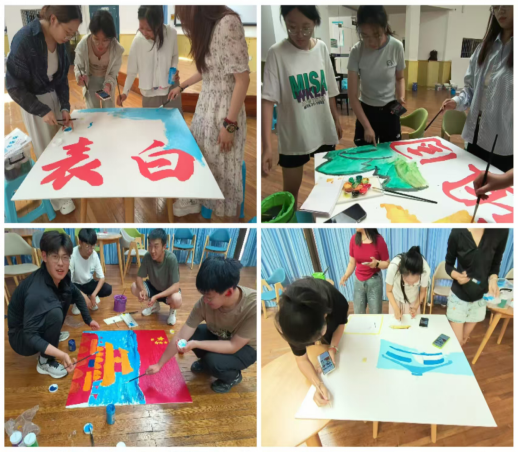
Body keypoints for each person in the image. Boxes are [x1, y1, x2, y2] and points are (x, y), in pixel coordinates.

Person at [170, 6, 250, 218]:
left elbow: (242, 80)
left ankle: (226, 219)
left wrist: (229, 125)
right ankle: (197, 201)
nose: (186, 24)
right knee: (203, 160)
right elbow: (207, 69)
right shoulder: (209, 28)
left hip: (224, 112)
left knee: (224, 172)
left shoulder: (228, 23)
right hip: (205, 108)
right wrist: (182, 86)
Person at [262, 6, 342, 207]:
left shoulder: (321, 48)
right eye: (292, 27)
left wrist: (336, 119)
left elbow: (330, 90)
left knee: (328, 186)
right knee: (290, 195)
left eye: (306, 28)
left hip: (322, 127)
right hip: (294, 134)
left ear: (315, 23)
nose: (299, 34)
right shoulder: (276, 53)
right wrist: (267, 147)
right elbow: (268, 101)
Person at [6, 5, 82, 215]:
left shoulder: (60, 42)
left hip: (54, 96)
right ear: (54, 19)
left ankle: (66, 185)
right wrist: (40, 110)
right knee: (46, 149)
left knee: (62, 144)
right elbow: (13, 87)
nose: (69, 37)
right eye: (68, 32)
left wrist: (64, 106)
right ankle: (58, 198)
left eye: (73, 34)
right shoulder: (24, 40)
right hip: (34, 103)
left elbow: (62, 80)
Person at [146, 257, 256, 393]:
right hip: (221, 335)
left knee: (213, 362)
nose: (204, 300)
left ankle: (233, 376)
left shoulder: (252, 306)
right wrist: (159, 364)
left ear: (228, 292)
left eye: (209, 297)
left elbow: (233, 346)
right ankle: (207, 362)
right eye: (203, 295)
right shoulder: (204, 302)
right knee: (193, 334)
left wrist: (196, 344)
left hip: (245, 348)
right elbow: (181, 335)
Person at [7, 231, 100, 379]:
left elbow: (76, 293)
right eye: (55, 257)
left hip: (32, 322)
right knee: (55, 312)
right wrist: (62, 355)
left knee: (67, 293)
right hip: (21, 337)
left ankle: (52, 335)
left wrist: (89, 320)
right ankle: (44, 362)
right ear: (44, 256)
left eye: (65, 257)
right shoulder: (37, 292)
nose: (61, 263)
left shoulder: (62, 275)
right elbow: (30, 335)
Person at [442, 5, 513, 172]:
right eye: (496, 7)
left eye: (506, 4)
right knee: (470, 182)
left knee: (497, 187)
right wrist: (457, 101)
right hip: (477, 134)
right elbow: (471, 89)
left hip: (505, 142)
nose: (500, 11)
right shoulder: (484, 48)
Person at [276, 277, 348, 407]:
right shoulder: (290, 323)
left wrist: (333, 348)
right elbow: (301, 359)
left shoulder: (338, 302)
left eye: (317, 336)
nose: (315, 342)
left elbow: (340, 324)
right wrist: (318, 385)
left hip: (330, 311)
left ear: (325, 316)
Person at [348, 5, 405, 147]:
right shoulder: (357, 51)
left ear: (384, 27)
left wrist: (401, 96)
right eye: (365, 36)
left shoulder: (396, 47)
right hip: (366, 111)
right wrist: (367, 127)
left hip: (390, 108)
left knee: (392, 153)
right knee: (364, 156)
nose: (371, 42)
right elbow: (352, 96)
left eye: (377, 35)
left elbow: (400, 78)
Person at [445, 228, 508, 346]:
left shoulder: (501, 230)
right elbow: (448, 265)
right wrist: (457, 276)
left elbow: (496, 263)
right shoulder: (457, 231)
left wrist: (493, 279)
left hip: (479, 300)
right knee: (457, 341)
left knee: (464, 338)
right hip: (458, 298)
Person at [117, 6, 181, 111]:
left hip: (171, 89)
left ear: (159, 24)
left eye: (149, 29)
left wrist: (173, 69)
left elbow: (174, 55)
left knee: (174, 119)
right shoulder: (138, 41)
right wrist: (125, 93)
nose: (144, 33)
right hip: (150, 93)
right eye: (141, 28)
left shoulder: (171, 33)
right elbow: (132, 72)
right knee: (152, 121)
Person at [74, 9, 124, 109]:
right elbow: (79, 67)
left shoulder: (117, 49)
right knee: (93, 111)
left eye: (105, 40)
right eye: (96, 39)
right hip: (91, 81)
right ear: (91, 33)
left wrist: (108, 86)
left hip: (107, 81)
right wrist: (80, 76)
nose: (100, 45)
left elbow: (113, 73)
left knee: (108, 111)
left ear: (111, 37)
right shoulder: (83, 46)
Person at [130, 228, 182, 325]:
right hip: (153, 287)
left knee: (177, 299)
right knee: (134, 287)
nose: (152, 250)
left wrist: (156, 296)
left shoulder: (171, 259)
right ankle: (155, 306)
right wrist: (142, 290)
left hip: (167, 291)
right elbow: (139, 277)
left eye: (156, 246)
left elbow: (176, 286)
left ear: (164, 247)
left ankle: (172, 311)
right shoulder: (147, 256)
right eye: (150, 246)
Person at [340, 229, 389, 314]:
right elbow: (352, 263)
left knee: (375, 314)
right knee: (358, 312)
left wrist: (377, 263)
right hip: (358, 281)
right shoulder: (354, 239)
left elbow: (387, 263)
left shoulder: (379, 240)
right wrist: (346, 276)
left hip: (374, 281)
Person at [70, 228, 112, 315]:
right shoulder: (72, 255)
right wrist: (83, 296)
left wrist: (94, 294)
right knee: (65, 293)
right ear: (80, 242)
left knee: (108, 289)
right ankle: (79, 301)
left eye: (93, 247)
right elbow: (68, 282)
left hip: (88, 283)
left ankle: (90, 297)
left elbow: (102, 278)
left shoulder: (94, 255)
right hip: (76, 285)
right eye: (87, 247)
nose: (90, 251)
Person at [386, 246, 431, 320]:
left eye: (415, 283)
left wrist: (415, 307)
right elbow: (388, 291)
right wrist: (395, 308)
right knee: (395, 323)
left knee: (412, 323)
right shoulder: (393, 267)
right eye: (407, 282)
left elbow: (423, 291)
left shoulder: (425, 270)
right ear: (401, 273)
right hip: (395, 299)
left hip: (414, 300)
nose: (411, 285)